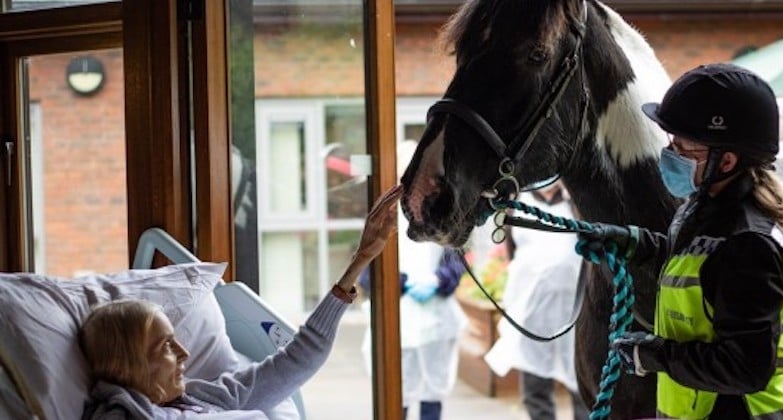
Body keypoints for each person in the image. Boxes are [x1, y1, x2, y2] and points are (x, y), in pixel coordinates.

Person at [577, 63, 783, 418]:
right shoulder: (703, 207)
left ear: (726, 161)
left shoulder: (750, 246)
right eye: (671, 142)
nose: (670, 154)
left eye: (684, 147)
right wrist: (632, 242)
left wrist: (652, 355)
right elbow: (696, 264)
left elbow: (746, 368)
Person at [78, 184, 403, 419]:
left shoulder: (201, 395)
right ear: (126, 364)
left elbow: (297, 361)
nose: (185, 353)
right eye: (165, 346)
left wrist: (361, 259)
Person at [359, 139, 466, 420]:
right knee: (397, 390)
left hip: (437, 318)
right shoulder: (383, 216)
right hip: (397, 319)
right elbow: (369, 272)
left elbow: (457, 263)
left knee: (433, 388)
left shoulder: (443, 214)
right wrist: (404, 283)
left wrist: (436, 281)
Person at [484, 181, 589, 420]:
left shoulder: (576, 205)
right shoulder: (517, 206)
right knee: (534, 384)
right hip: (531, 312)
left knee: (580, 382)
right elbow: (511, 252)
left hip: (573, 312)